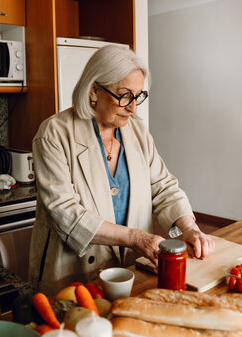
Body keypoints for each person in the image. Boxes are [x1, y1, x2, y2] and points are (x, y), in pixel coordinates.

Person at [29, 45, 214, 294]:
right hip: (75, 278)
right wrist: (136, 238)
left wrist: (189, 228)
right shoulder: (54, 133)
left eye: (137, 96)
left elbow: (163, 188)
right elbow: (66, 213)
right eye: (124, 95)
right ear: (94, 90)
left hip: (132, 270)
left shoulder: (136, 130)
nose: (133, 108)